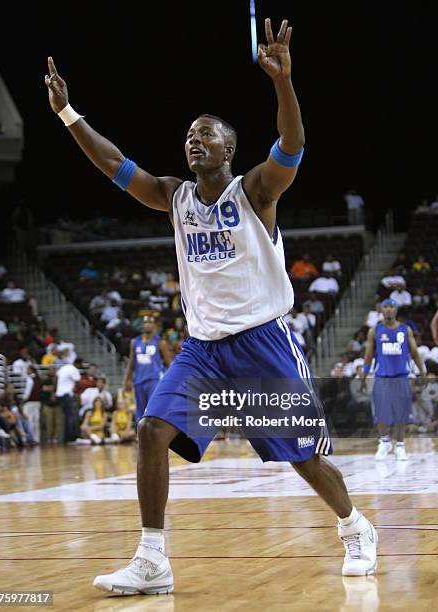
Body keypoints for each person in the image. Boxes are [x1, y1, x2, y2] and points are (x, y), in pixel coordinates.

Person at [45, 17, 377, 594]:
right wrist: (69, 115)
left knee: (303, 458)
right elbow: (116, 165)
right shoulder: (173, 196)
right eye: (188, 135)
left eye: (205, 134)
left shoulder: (255, 191)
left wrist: (282, 83)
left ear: (229, 148)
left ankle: (354, 527)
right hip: (203, 349)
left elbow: (293, 145)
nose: (193, 140)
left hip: (262, 343)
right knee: (150, 430)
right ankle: (153, 560)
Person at [361, 299, 425, 461]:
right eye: (386, 307)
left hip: (401, 376)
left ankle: (401, 445)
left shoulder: (405, 330)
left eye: (392, 307)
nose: (389, 310)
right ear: (381, 310)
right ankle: (384, 442)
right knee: (381, 412)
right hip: (382, 376)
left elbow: (415, 353)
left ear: (396, 310)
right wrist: (363, 374)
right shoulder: (375, 330)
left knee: (400, 413)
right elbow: (368, 356)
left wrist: (422, 371)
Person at [124, 315, 173, 420]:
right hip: (139, 381)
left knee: (153, 411)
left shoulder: (160, 342)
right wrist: (127, 380)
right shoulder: (135, 342)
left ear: (154, 326)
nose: (147, 325)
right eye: (145, 322)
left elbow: (169, 364)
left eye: (150, 323)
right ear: (142, 325)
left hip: (154, 380)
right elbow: (131, 363)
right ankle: (140, 436)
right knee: (140, 413)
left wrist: (173, 382)